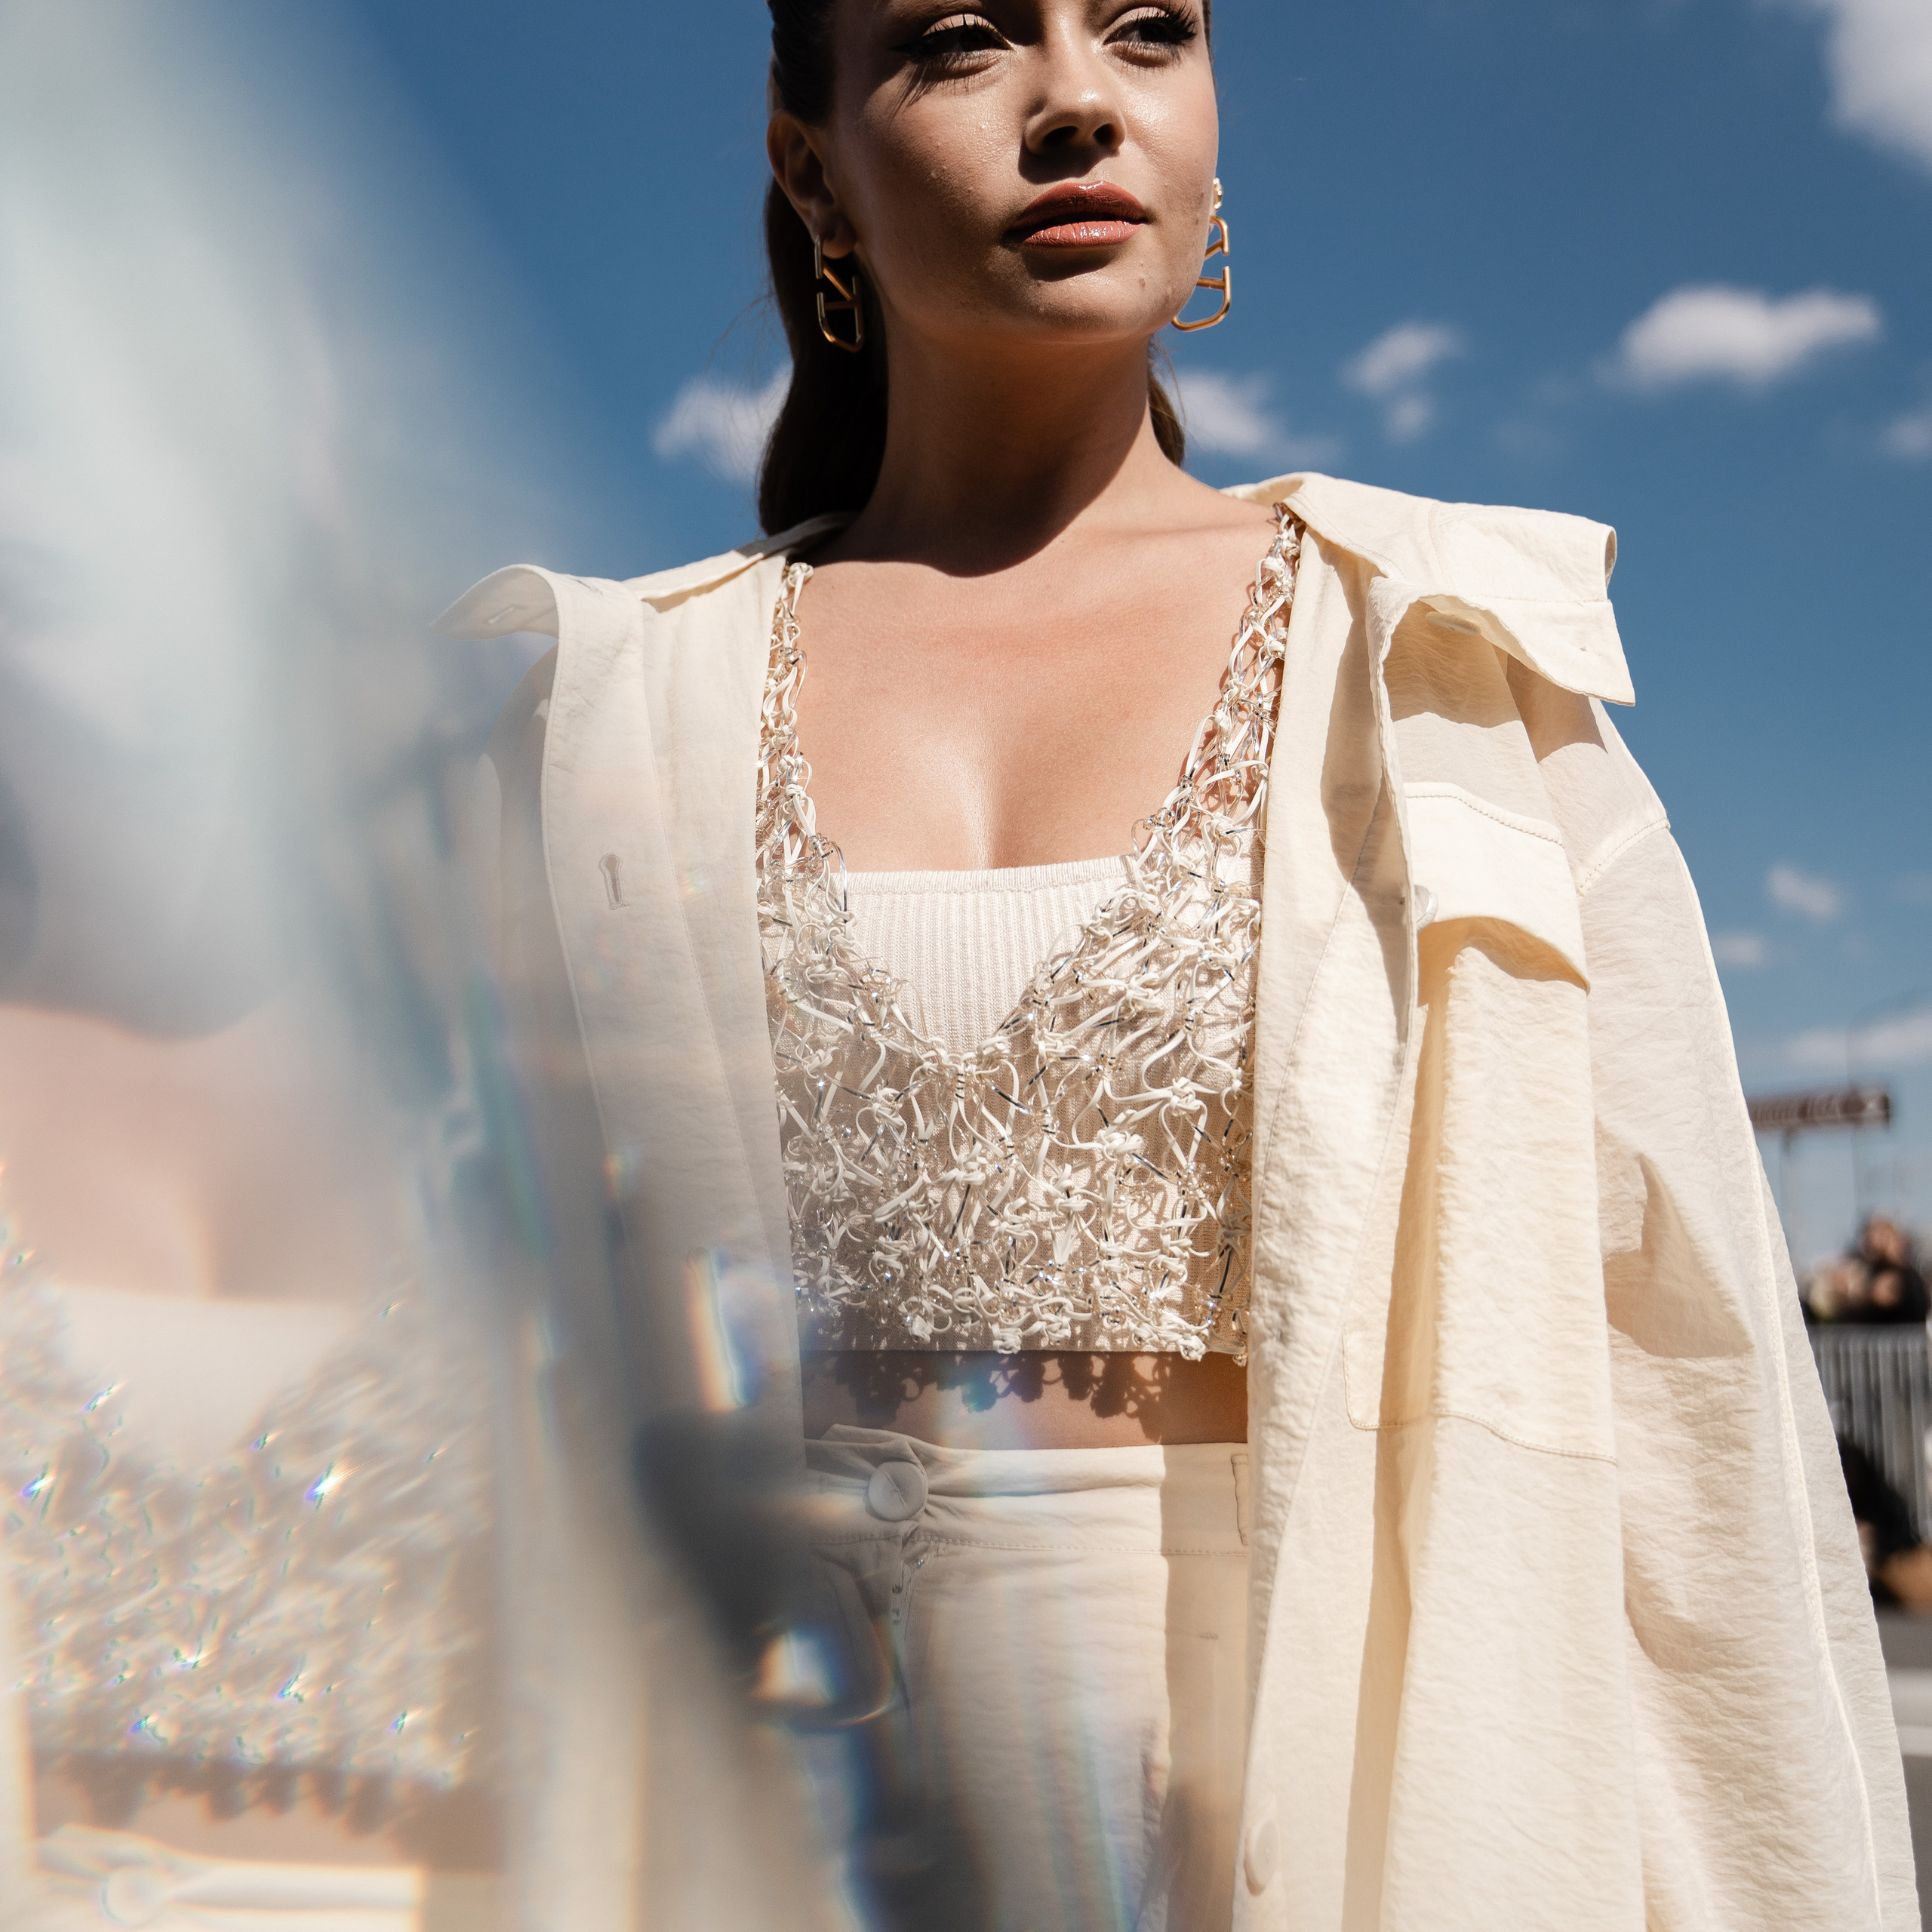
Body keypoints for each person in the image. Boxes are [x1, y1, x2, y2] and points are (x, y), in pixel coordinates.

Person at [441, 0, 1916, 1924]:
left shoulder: (1448, 674)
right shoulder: (604, 723)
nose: (1075, 102)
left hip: (1355, 1772)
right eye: (965, 39)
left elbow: (1697, 1421)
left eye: (1146, 28)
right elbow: (460, 1385)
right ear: (810, 164)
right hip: (763, 1798)